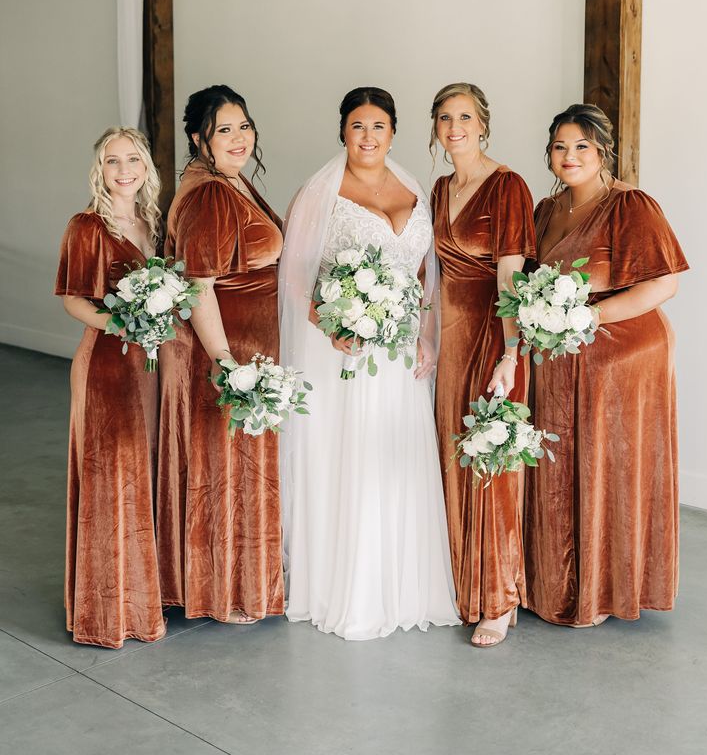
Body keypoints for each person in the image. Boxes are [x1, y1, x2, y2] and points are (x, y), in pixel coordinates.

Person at [278, 86, 459, 640]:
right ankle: (346, 585)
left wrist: (427, 335)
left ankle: (402, 583)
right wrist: (332, 325)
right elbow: (293, 274)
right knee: (348, 454)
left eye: (378, 126)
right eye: (357, 126)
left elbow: (429, 271)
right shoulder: (320, 192)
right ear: (342, 132)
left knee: (394, 455)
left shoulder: (416, 189)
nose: (368, 136)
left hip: (402, 350)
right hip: (343, 351)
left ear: (393, 132)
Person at [524, 103, 689, 626]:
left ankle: (606, 588)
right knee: (560, 464)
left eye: (581, 147)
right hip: (561, 355)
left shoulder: (630, 205)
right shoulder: (547, 211)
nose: (569, 156)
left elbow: (664, 283)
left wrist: (588, 317)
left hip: (623, 358)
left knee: (608, 465)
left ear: (602, 152)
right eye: (559, 147)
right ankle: (554, 583)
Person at [157, 85, 284, 624]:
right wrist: (226, 364)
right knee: (221, 473)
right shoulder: (209, 194)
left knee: (237, 471)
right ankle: (221, 591)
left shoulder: (228, 180)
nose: (238, 138)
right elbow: (199, 286)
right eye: (223, 130)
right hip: (225, 354)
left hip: (244, 349)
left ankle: (234, 579)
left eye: (243, 126)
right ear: (198, 138)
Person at [430, 83, 536, 647]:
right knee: (455, 462)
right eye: (445, 118)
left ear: (484, 124)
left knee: (493, 467)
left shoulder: (508, 185)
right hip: (450, 339)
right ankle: (467, 586)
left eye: (465, 117)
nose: (455, 128)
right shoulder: (442, 186)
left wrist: (511, 352)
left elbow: (511, 277)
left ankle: (499, 598)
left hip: (492, 337)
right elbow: (435, 274)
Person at [55, 127, 165, 648]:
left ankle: (145, 589)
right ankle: (107, 606)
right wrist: (125, 324)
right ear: (100, 169)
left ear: (146, 165)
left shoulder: (154, 223)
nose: (124, 170)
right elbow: (75, 300)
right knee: (110, 474)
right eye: (112, 161)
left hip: (154, 366)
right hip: (107, 362)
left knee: (145, 468)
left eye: (132, 159)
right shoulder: (87, 226)